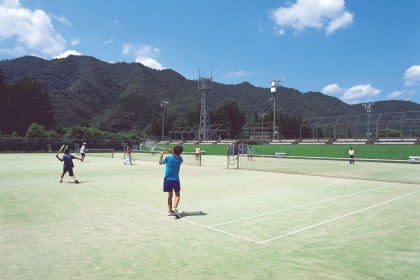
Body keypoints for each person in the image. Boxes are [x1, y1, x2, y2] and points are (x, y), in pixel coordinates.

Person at [159, 145, 183, 218]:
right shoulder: (180, 159)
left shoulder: (168, 158)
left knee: (170, 196)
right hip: (175, 180)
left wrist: (161, 155)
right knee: (177, 195)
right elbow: (177, 155)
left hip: (167, 179)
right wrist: (172, 151)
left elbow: (160, 162)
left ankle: (170, 211)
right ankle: (174, 208)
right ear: (181, 152)